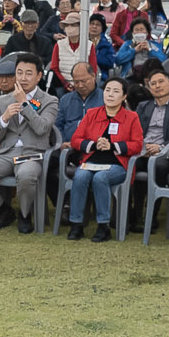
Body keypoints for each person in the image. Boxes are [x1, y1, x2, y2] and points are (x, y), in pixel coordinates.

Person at [0, 57, 60, 233]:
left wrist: (24, 104)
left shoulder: (49, 100)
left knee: (26, 175)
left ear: (38, 76)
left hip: (33, 153)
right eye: (19, 73)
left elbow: (42, 128)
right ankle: (3, 210)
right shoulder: (3, 100)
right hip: (7, 151)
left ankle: (24, 214)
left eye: (28, 73)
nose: (23, 78)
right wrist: (4, 118)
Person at [63, 74, 140, 241]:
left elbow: (137, 144)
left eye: (116, 91)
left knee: (100, 178)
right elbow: (76, 139)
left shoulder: (131, 117)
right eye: (107, 90)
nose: (110, 94)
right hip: (91, 161)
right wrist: (93, 144)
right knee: (80, 175)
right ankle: (76, 224)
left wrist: (112, 146)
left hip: (117, 165)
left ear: (124, 96)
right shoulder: (92, 114)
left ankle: (103, 226)